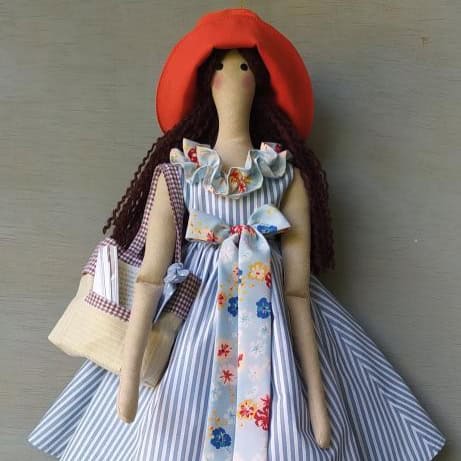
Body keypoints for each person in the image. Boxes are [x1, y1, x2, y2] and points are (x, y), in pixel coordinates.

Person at [27, 8, 446, 460]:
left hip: (273, 320)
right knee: (169, 425)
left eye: (244, 67)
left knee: (289, 429)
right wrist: (127, 385)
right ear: (206, 83)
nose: (232, 78)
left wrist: (318, 403)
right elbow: (150, 279)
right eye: (222, 68)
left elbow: (298, 293)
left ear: (259, 83)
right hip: (194, 322)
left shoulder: (285, 176)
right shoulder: (180, 172)